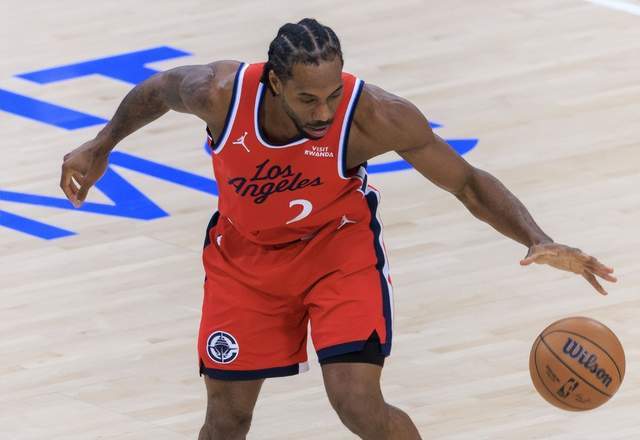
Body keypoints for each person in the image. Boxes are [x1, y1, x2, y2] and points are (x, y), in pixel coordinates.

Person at [59, 18, 617, 440]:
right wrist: (101, 145)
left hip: (337, 253)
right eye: (308, 98)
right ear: (274, 82)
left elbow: (467, 182)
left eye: (332, 95)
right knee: (226, 421)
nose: (324, 112)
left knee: (356, 403)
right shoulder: (218, 93)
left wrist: (536, 238)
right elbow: (157, 89)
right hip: (244, 260)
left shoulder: (374, 115)